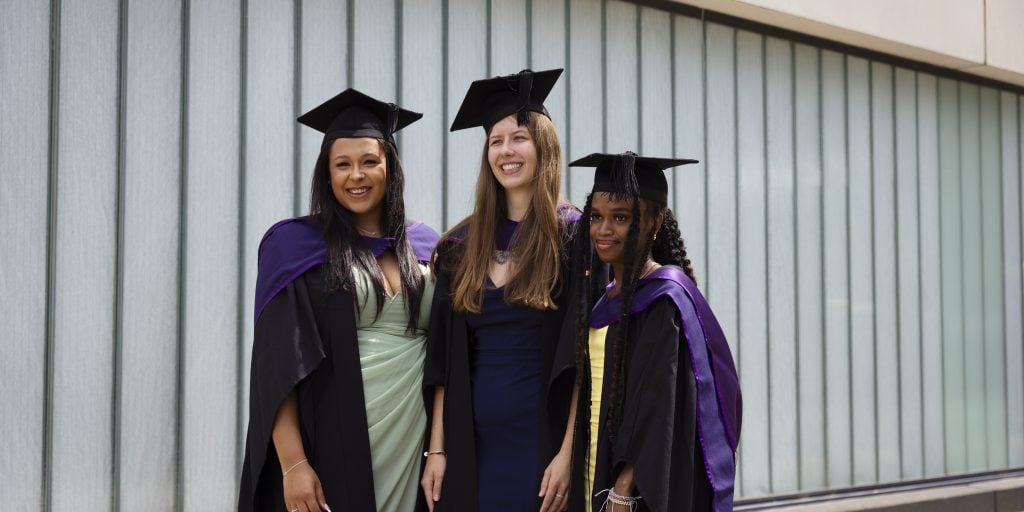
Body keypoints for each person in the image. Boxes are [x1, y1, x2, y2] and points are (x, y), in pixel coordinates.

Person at [238, 89, 440, 512]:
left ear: (390, 167)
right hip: (333, 435)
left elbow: (448, 356)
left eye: (370, 161)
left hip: (412, 437)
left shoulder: (427, 247)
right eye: (342, 164)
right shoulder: (294, 247)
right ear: (326, 175)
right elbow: (277, 366)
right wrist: (293, 464)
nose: (357, 176)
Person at [420, 68, 581, 512]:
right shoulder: (460, 248)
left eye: (519, 138)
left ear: (543, 147)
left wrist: (568, 454)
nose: (506, 151)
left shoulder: (574, 240)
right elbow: (444, 360)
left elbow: (583, 358)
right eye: (495, 140)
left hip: (542, 442)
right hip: (470, 444)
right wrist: (437, 449)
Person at [566, 152, 742, 512]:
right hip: (591, 465)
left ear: (655, 221)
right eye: (596, 217)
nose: (603, 229)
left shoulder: (664, 298)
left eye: (621, 218)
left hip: (630, 484)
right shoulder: (603, 299)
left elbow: (658, 406)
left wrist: (624, 487)